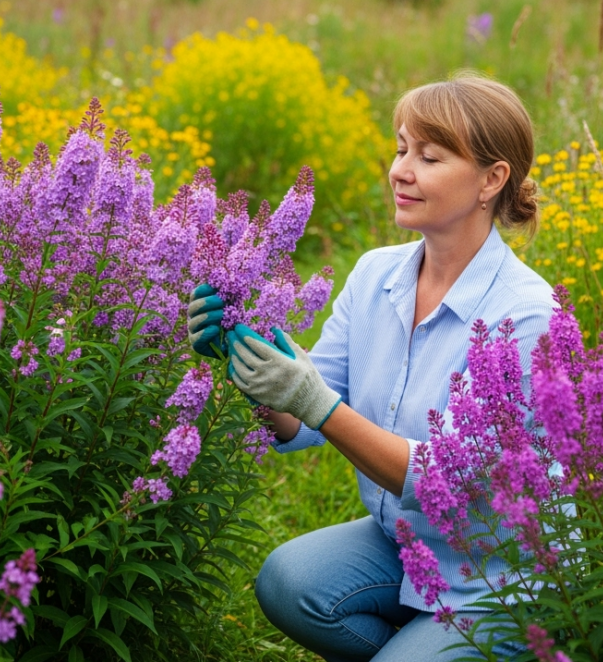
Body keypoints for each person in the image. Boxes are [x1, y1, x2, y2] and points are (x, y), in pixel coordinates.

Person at [186, 72, 554, 661]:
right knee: (286, 583)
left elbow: (445, 481)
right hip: (405, 544)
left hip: (497, 577)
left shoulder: (526, 315)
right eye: (401, 149)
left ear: (492, 179)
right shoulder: (376, 274)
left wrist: (314, 401)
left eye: (429, 157)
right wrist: (241, 354)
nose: (401, 170)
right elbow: (301, 419)